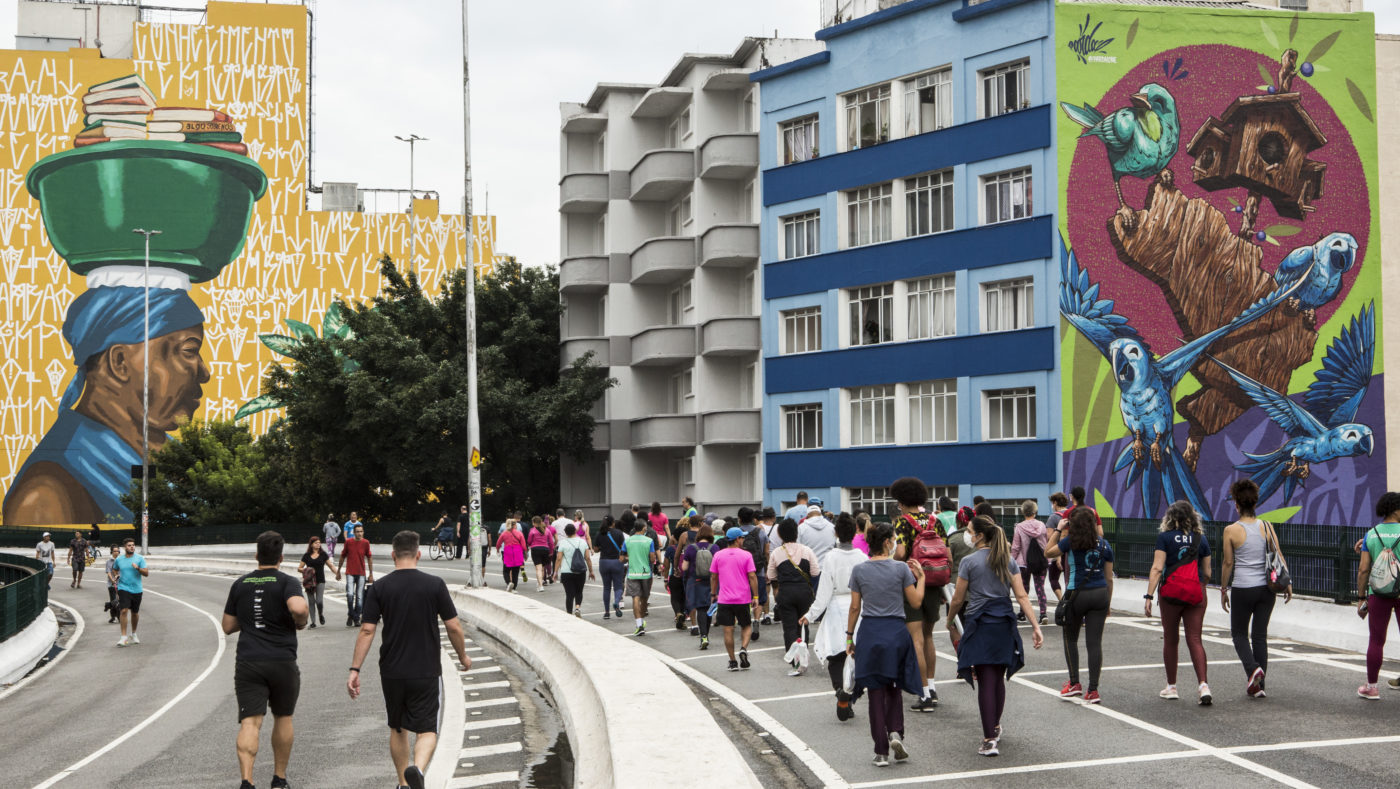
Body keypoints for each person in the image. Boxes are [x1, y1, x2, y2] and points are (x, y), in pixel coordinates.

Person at [3, 281, 207, 525]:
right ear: (120, 362)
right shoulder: (46, 497)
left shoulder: (170, 452)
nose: (204, 372)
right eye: (189, 351)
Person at [348, 531, 472, 789]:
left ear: (393, 555)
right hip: (425, 669)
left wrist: (355, 669)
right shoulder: (434, 584)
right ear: (418, 554)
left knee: (397, 727)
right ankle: (418, 768)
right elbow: (454, 627)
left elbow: (367, 630)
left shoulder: (380, 587)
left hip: (392, 671)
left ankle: (403, 782)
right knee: (427, 728)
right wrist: (463, 656)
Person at [948, 516, 1043, 757]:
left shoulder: (969, 562)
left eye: (969, 531)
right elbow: (1022, 597)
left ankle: (989, 738)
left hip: (979, 624)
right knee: (998, 678)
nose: (967, 534)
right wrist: (1035, 626)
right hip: (1003, 624)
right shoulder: (1007, 560)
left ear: (979, 536)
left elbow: (958, 598)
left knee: (985, 681)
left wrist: (949, 620)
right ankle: (995, 727)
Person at [222, 531, 309, 789]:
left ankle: (247, 781)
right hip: (282, 660)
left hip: (249, 661)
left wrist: (251, 620)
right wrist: (300, 622)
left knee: (250, 721)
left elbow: (227, 625)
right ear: (281, 557)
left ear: (256, 555)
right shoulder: (287, 582)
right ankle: (279, 779)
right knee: (283, 717)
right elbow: (299, 609)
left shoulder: (240, 584)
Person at [845, 523, 924, 767]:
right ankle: (895, 732)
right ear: (888, 542)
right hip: (896, 632)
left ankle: (880, 752)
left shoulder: (859, 570)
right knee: (894, 686)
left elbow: (855, 607)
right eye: (894, 539)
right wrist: (921, 578)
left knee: (875, 692)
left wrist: (849, 636)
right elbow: (916, 602)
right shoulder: (901, 568)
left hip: (870, 632)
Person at [1220, 478, 1290, 699]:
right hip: (1267, 590)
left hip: (1243, 588)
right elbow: (1278, 554)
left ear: (1236, 504)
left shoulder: (1231, 530)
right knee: (1260, 636)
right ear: (1256, 503)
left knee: (1239, 633)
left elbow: (1228, 563)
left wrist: (1223, 589)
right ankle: (1260, 686)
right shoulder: (1267, 526)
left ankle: (1253, 670)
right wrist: (1287, 583)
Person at [1145, 500, 1213, 705]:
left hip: (1171, 594)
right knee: (1195, 638)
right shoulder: (1201, 539)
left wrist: (1149, 596)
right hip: (1196, 592)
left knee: (1171, 638)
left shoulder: (1164, 538)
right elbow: (1208, 572)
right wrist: (1197, 584)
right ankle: (1203, 685)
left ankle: (1172, 686)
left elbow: (1157, 568)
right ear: (1193, 517)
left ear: (1170, 518)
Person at [1045, 507, 1114, 704]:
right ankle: (1093, 690)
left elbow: (1048, 552)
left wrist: (1058, 530)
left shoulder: (1071, 542)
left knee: (1070, 638)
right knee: (1094, 643)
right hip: (1100, 593)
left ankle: (1074, 683)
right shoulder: (1105, 545)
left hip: (1076, 594)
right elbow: (1109, 579)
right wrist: (1108, 602)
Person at [801, 513, 867, 719]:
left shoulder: (830, 557)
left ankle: (840, 691)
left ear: (836, 533)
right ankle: (850, 698)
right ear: (856, 530)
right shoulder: (862, 558)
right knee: (857, 655)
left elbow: (824, 592)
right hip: (859, 607)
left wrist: (810, 615)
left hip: (837, 607)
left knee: (836, 656)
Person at [889, 476, 943, 713]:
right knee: (929, 636)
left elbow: (900, 553)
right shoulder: (935, 519)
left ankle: (923, 695)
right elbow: (946, 552)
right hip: (934, 581)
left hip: (912, 582)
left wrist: (890, 563)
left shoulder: (903, 522)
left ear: (902, 500)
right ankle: (931, 686)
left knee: (916, 640)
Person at [1355, 492, 1400, 700]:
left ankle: (1372, 687)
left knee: (1376, 640)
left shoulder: (1371, 534)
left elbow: (1364, 570)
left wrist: (1361, 597)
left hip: (1378, 594)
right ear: (1396, 510)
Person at [768, 518, 820, 675]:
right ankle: (803, 658)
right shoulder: (807, 550)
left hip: (786, 593)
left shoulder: (777, 553)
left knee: (790, 627)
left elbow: (771, 575)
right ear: (796, 533)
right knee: (803, 625)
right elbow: (815, 572)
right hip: (805, 592)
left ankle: (796, 663)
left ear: (780, 534)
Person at [712, 526, 759, 671]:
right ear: (737, 539)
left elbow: (714, 576)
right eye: (742, 537)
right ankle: (743, 648)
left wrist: (714, 594)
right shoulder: (746, 555)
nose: (743, 540)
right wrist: (755, 595)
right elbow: (752, 576)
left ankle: (732, 661)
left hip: (725, 599)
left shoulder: (718, 555)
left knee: (728, 629)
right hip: (742, 598)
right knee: (746, 626)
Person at [1011, 501, 1050, 624]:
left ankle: (1022, 613)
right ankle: (1043, 614)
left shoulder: (1019, 527)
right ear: (1035, 511)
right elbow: (1046, 542)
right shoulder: (1042, 525)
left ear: (1023, 512)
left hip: (1023, 563)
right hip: (1041, 560)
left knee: (1023, 589)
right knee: (1040, 587)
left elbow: (1016, 547)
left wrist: (1011, 560)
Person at [735, 507, 773, 628]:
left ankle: (745, 621)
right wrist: (767, 570)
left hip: (740, 571)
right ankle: (756, 619)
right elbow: (766, 552)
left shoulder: (736, 533)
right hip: (758, 569)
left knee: (743, 598)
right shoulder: (760, 532)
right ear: (753, 519)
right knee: (760, 597)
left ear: (739, 519)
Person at [682, 523, 716, 650]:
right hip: (711, 581)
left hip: (695, 581)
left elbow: (684, 567)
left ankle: (703, 636)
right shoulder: (715, 547)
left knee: (701, 609)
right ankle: (706, 634)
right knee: (709, 608)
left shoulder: (691, 548)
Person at [623, 515, 658, 636]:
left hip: (632, 573)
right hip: (645, 572)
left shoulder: (627, 541)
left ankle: (639, 625)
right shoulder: (649, 541)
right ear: (643, 528)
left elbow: (621, 558)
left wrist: (630, 557)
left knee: (635, 598)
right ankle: (642, 621)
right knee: (644, 599)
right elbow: (653, 558)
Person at [336, 523, 374, 627]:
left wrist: (371, 574)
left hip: (361, 573)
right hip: (350, 572)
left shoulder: (366, 543)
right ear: (353, 532)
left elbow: (369, 558)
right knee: (350, 595)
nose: (359, 533)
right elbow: (342, 556)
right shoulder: (348, 542)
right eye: (357, 531)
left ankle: (355, 617)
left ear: (363, 532)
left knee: (360, 597)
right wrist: (338, 570)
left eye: (361, 531)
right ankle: (352, 614)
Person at [111, 537, 148, 646]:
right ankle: (123, 637)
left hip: (137, 589)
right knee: (123, 611)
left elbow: (146, 573)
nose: (132, 547)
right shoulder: (119, 559)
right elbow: (114, 568)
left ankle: (134, 633)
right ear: (124, 547)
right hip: (123, 588)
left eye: (133, 545)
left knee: (135, 613)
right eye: (129, 545)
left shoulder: (140, 558)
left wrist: (138, 569)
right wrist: (117, 575)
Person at [554, 523, 595, 617]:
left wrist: (555, 572)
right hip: (580, 571)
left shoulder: (563, 543)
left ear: (565, 533)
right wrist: (591, 571)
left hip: (566, 572)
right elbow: (587, 558)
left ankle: (569, 613)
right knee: (579, 591)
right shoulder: (583, 542)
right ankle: (577, 608)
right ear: (575, 531)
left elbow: (559, 558)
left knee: (569, 594)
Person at [299, 535, 337, 629]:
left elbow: (331, 566)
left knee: (319, 601)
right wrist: (308, 570)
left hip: (320, 580)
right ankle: (313, 622)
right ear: (311, 544)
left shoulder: (323, 554)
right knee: (311, 602)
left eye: (319, 543)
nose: (318, 544)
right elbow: (299, 568)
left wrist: (337, 573)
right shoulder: (306, 555)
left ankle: (320, 614)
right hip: (309, 581)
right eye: (316, 543)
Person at [593, 514, 626, 617]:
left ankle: (607, 612)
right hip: (617, 562)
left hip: (604, 562)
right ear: (613, 523)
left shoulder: (599, 533)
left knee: (606, 588)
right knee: (618, 586)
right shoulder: (619, 533)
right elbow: (623, 548)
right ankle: (616, 602)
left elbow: (595, 549)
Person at [663, 518, 692, 630]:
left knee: (675, 597)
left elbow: (666, 566)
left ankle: (678, 613)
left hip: (675, 576)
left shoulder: (671, 549)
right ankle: (685, 614)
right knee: (685, 596)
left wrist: (666, 579)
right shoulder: (690, 548)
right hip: (687, 575)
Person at [1042, 492, 1070, 599]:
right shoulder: (1072, 514)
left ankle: (1062, 601)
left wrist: (1057, 556)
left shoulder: (1053, 517)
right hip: (1072, 550)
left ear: (1055, 503)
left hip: (1058, 551)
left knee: (1053, 579)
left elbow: (1050, 537)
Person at [496, 515, 527, 592]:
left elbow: (498, 543)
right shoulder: (519, 533)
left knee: (506, 570)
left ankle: (509, 582)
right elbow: (523, 545)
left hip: (508, 551)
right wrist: (525, 553)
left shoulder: (504, 533)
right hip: (517, 551)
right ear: (514, 525)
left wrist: (497, 549)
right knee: (515, 571)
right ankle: (514, 587)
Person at [527, 516, 555, 593]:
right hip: (545, 550)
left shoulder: (532, 530)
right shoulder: (547, 530)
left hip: (535, 550)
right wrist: (551, 551)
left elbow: (529, 541)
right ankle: (541, 581)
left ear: (534, 523)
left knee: (538, 568)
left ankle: (540, 585)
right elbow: (551, 542)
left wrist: (530, 545)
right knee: (542, 568)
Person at [103, 544, 120, 624]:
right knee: (114, 601)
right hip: (112, 584)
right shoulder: (109, 562)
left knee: (120, 601)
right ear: (111, 552)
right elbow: (108, 572)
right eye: (114, 551)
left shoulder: (121, 560)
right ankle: (114, 617)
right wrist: (112, 580)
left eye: (117, 551)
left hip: (121, 584)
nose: (116, 552)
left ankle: (107, 605)